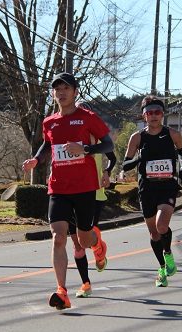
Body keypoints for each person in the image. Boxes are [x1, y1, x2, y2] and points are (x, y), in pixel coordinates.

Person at [22, 72, 113, 310]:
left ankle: (97, 244)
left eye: (66, 89)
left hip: (84, 188)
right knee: (58, 237)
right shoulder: (49, 122)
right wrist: (36, 160)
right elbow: (47, 145)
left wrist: (84, 148)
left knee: (83, 240)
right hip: (59, 188)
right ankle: (62, 291)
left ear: (75, 92)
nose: (61, 93)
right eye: (57, 89)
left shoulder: (87, 117)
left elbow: (108, 144)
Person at [122, 95, 182, 287]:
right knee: (154, 234)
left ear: (162, 114)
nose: (153, 116)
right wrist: (139, 159)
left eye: (157, 112)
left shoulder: (173, 134)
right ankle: (162, 269)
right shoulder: (137, 137)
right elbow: (126, 165)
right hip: (147, 189)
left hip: (167, 186)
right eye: (149, 113)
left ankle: (168, 253)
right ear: (144, 116)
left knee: (161, 225)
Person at [69, 100, 117, 298]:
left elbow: (112, 157)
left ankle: (98, 247)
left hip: (94, 192)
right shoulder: (68, 135)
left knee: (86, 237)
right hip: (70, 192)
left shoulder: (96, 135)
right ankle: (85, 283)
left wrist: (106, 172)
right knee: (77, 244)